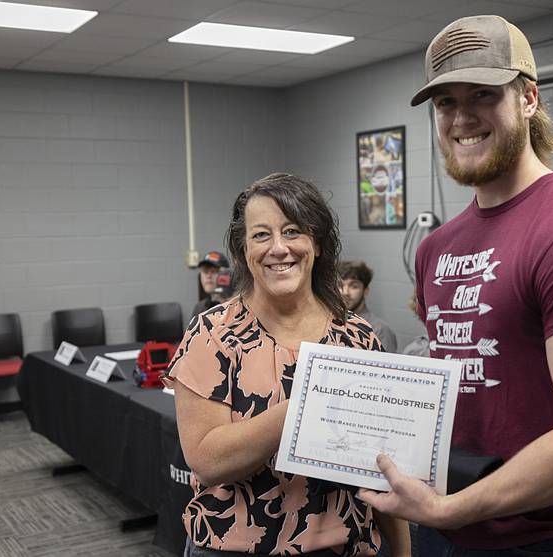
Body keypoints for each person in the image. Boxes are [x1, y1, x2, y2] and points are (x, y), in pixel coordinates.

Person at [358, 15, 553, 557]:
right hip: (445, 531)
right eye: (445, 102)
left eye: (483, 95)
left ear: (529, 100)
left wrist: (450, 509)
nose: (462, 117)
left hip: (542, 542)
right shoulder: (436, 248)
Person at [165, 173, 410, 556]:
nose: (278, 248)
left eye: (293, 231)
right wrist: (305, 408)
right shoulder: (213, 334)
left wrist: (402, 552)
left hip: (345, 547)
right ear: (244, 249)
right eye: (261, 235)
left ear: (318, 243)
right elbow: (208, 459)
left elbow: (383, 471)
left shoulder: (359, 338)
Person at [338, 260, 398, 353]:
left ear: (365, 291)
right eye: (340, 285)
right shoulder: (330, 323)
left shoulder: (380, 330)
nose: (345, 292)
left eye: (354, 286)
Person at [190, 251, 230, 320]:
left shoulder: (236, 305)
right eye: (205, 271)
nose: (209, 276)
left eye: (214, 271)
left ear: (227, 275)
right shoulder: (199, 307)